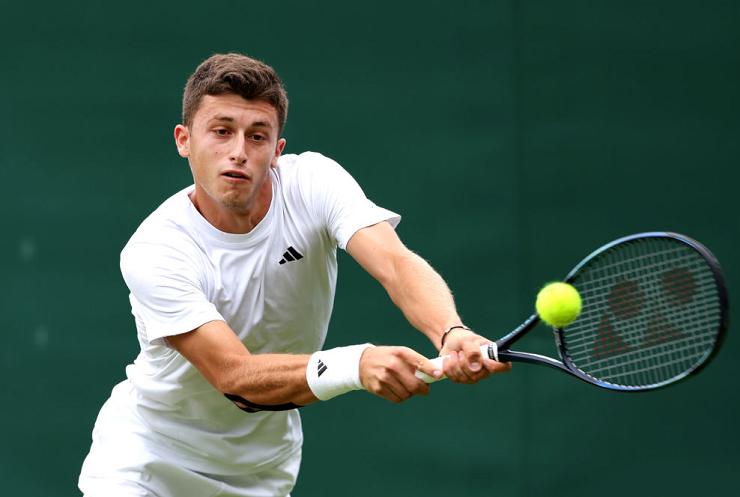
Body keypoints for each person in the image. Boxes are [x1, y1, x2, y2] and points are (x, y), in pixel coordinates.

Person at [78, 52, 510, 497]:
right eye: (222, 131)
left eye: (258, 136)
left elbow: (396, 264)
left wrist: (449, 330)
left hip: (261, 472)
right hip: (146, 460)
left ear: (278, 150)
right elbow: (234, 375)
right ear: (184, 139)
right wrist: (356, 364)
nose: (239, 152)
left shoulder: (313, 183)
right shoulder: (156, 250)